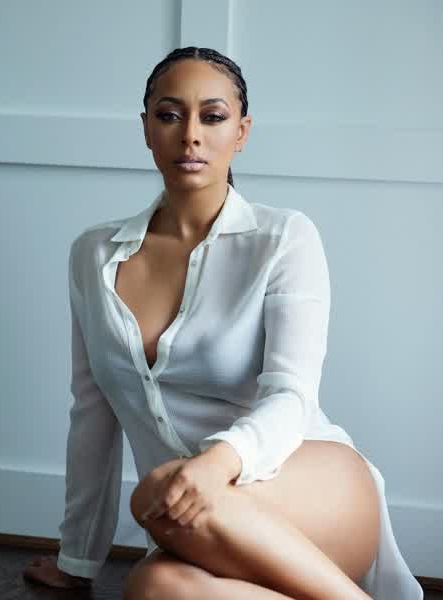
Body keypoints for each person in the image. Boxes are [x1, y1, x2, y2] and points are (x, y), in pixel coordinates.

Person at [24, 47, 424, 599]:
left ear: (241, 132)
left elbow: (292, 395)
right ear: (146, 129)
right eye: (169, 115)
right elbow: (92, 412)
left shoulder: (284, 237)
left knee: (155, 498)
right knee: (154, 587)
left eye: (212, 117)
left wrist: (216, 464)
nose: (190, 135)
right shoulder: (94, 255)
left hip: (313, 489)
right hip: (188, 517)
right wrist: (77, 560)